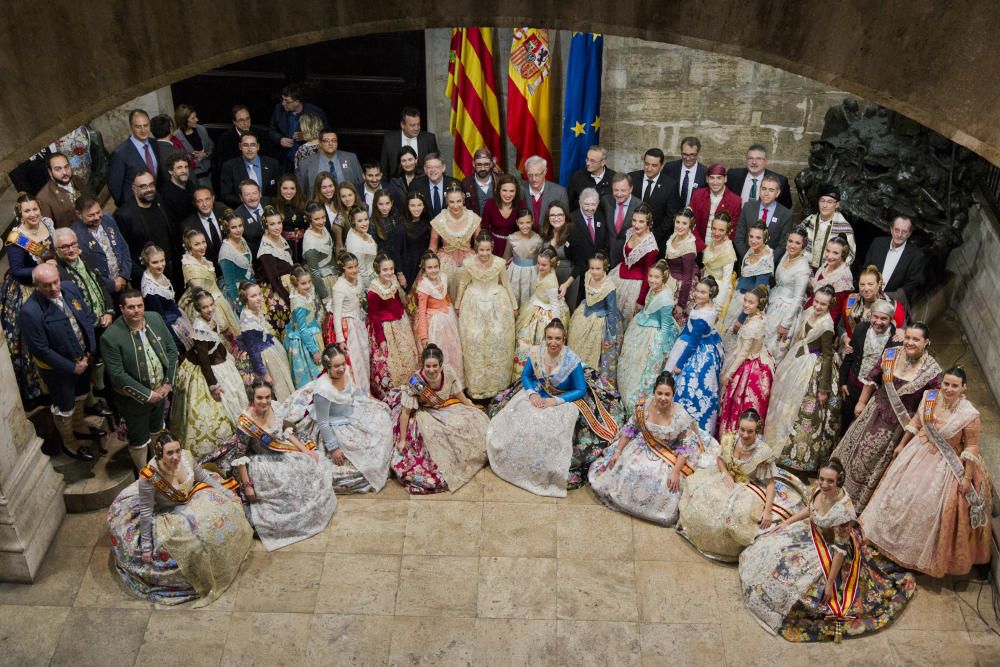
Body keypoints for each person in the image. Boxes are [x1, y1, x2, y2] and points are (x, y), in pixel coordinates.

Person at [739, 459, 915, 642]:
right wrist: (786, 523)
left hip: (833, 548)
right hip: (812, 532)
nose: (824, 484)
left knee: (796, 581)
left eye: (830, 481)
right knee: (768, 547)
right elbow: (810, 510)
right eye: (822, 479)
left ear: (839, 481)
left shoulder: (843, 512)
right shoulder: (818, 488)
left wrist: (830, 582)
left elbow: (840, 549)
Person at [861, 368, 992, 577]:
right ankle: (890, 545)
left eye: (954, 386)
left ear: (963, 388)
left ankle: (915, 556)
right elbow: (916, 422)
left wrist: (967, 478)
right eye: (946, 384)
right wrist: (902, 444)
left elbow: (971, 449)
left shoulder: (969, 414)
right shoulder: (930, 397)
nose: (949, 389)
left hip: (946, 465)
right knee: (899, 496)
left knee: (925, 507)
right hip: (917, 452)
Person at [107, 433, 252, 606]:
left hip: (190, 499)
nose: (176, 457)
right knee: (193, 541)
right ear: (159, 454)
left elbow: (204, 477)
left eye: (177, 451)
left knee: (223, 514)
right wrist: (146, 546)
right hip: (164, 511)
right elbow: (146, 511)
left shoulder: (187, 457)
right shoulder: (150, 476)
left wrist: (227, 493)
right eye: (170, 453)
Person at [487, 318, 622, 496]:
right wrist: (532, 394)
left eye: (557, 338)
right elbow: (526, 376)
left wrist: (556, 401)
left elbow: (580, 389)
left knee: (551, 428)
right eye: (549, 338)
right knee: (521, 417)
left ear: (564, 339)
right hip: (538, 393)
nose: (553, 342)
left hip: (564, 398)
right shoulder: (536, 353)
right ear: (544, 338)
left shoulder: (572, 360)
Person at [204, 380, 335, 550]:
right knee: (283, 482)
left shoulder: (275, 406)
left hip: (281, 452)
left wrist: (304, 451)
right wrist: (247, 485)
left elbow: (284, 435)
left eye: (267, 397)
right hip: (261, 461)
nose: (264, 401)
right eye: (259, 398)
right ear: (252, 398)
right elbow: (239, 455)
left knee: (306, 469)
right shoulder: (245, 422)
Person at [833, 322, 942, 510]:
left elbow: (929, 408)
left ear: (926, 342)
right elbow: (872, 377)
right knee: (854, 453)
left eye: (916, 339)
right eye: (907, 337)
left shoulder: (933, 372)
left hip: (899, 426)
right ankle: (835, 490)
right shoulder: (891, 354)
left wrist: (909, 437)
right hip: (874, 412)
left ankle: (858, 505)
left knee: (876, 464)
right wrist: (861, 402)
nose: (909, 342)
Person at [678, 408, 805, 561]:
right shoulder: (729, 439)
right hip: (726, 477)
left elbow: (770, 483)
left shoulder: (763, 452)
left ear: (757, 431)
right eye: (742, 430)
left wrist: (767, 510)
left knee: (734, 515)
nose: (744, 435)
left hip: (750, 484)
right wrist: (725, 474)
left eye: (750, 431)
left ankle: (725, 550)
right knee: (699, 493)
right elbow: (720, 460)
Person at [589, 372, 699, 526]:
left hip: (667, 452)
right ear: (654, 392)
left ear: (673, 394)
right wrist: (618, 451)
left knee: (661, 483)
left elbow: (686, 446)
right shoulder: (643, 407)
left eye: (667, 394)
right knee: (627, 470)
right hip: (640, 447)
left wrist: (675, 471)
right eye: (659, 393)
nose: (662, 398)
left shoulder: (680, 415)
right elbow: (630, 429)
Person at [19, 264, 98, 460]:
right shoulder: (30, 311)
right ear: (37, 285)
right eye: (47, 286)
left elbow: (86, 316)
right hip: (59, 371)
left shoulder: (69, 288)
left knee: (82, 395)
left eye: (56, 282)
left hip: (84, 359)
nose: (54, 288)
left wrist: (90, 350)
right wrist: (72, 367)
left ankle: (80, 426)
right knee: (65, 406)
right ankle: (69, 442)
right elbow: (40, 349)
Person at [388, 343, 489, 494]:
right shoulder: (416, 382)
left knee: (475, 420)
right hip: (424, 411)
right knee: (435, 436)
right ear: (422, 365)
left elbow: (457, 392)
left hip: (444, 406)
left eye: (435, 366)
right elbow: (405, 413)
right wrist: (402, 439)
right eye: (427, 366)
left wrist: (469, 404)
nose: (431, 370)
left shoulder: (448, 372)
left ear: (441, 364)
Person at [765, 286, 841, 474]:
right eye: (816, 301)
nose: (818, 306)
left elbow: (828, 355)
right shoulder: (808, 312)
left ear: (829, 305)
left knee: (800, 410)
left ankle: (793, 458)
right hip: (796, 359)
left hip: (811, 368)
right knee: (782, 403)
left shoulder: (827, 326)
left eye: (823, 304)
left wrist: (823, 388)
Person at [102, 289, 179, 471]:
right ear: (121, 308)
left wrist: (168, 383)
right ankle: (144, 474)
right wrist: (146, 395)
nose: (136, 311)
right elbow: (118, 375)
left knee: (157, 430)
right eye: (131, 307)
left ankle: (159, 465)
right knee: (139, 440)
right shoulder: (110, 337)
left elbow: (172, 351)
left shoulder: (154, 319)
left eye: (139, 306)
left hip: (160, 393)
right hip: (134, 401)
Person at [305, 344, 394, 493]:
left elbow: (354, 392)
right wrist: (333, 448)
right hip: (335, 424)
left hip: (350, 413)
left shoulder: (345, 375)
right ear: (327, 366)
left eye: (343, 364)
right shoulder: (323, 389)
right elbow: (323, 422)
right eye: (336, 366)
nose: (341, 369)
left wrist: (371, 400)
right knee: (362, 460)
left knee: (382, 417)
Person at [169, 289, 247, 458]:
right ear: (198, 309)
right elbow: (204, 361)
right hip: (209, 369)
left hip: (220, 361)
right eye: (205, 307)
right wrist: (213, 385)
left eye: (211, 305)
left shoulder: (212, 319)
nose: (210, 309)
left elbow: (217, 340)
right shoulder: (199, 328)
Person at [1, 194, 56, 407]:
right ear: (20, 214)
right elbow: (17, 271)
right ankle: (40, 388)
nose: (32, 214)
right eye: (27, 211)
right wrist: (42, 269)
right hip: (27, 290)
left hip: (50, 283)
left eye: (35, 209)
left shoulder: (46, 225)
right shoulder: (17, 238)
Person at [456, 232, 517, 399]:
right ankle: (477, 387)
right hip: (473, 304)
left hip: (497, 305)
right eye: (481, 250)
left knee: (498, 342)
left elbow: (506, 284)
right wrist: (457, 304)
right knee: (474, 341)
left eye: (487, 250)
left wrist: (514, 305)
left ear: (492, 248)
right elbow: (463, 283)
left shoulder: (499, 263)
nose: (484, 253)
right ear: (476, 248)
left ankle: (498, 386)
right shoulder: (469, 264)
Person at [617, 261, 679, 412]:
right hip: (641, 326)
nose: (652, 280)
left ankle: (639, 403)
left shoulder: (666, 300)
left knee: (644, 368)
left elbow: (665, 326)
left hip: (654, 334)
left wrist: (659, 349)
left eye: (656, 277)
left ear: (663, 278)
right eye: (650, 276)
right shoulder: (653, 290)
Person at [667, 277, 724, 433]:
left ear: (710, 294)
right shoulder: (701, 306)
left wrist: (679, 364)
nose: (698, 294)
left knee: (689, 381)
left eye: (703, 292)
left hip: (699, 348)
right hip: (696, 339)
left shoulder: (704, 318)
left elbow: (693, 344)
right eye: (697, 291)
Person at [719, 285, 774, 436]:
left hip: (749, 366)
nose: (746, 304)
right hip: (757, 359)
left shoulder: (753, 326)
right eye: (745, 301)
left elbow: (743, 354)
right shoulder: (758, 318)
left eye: (751, 302)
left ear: (759, 304)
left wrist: (729, 374)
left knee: (739, 401)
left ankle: (735, 435)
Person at [114, 171, 181, 289]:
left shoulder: (159, 200)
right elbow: (124, 252)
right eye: (143, 186)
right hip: (149, 279)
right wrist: (144, 276)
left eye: (151, 185)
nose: (149, 189)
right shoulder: (124, 215)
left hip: (172, 270)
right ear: (134, 189)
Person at [512, 247, 570, 379]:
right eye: (538, 263)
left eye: (544, 265)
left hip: (547, 314)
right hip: (536, 305)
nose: (540, 267)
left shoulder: (551, 282)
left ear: (552, 265)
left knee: (538, 344)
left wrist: (556, 325)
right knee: (523, 341)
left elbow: (555, 305)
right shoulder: (542, 273)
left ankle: (537, 375)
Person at [840, 300, 898, 431]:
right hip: (852, 385)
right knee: (844, 421)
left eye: (883, 318)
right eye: (875, 317)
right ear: (870, 316)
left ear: (890, 319)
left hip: (874, 393)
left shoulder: (896, 341)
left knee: (860, 428)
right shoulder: (861, 328)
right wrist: (843, 382)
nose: (878, 322)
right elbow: (850, 356)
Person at [367, 254, 419, 399]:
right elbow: (374, 316)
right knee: (390, 361)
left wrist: (405, 318)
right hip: (385, 328)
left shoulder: (394, 281)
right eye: (385, 270)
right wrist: (381, 339)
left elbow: (397, 302)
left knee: (408, 354)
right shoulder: (373, 291)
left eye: (391, 269)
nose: (389, 272)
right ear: (378, 271)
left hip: (400, 323)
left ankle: (412, 387)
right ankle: (394, 394)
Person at [568, 253, 621, 390]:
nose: (594, 271)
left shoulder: (609, 286)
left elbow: (612, 311)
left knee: (596, 353)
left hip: (600, 321)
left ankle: (592, 382)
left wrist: (612, 334)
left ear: (605, 268)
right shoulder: (587, 275)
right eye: (592, 268)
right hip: (584, 315)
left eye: (598, 268)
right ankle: (573, 376)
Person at [721, 222, 774, 353]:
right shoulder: (751, 251)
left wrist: (741, 319)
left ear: (765, 239)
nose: (753, 240)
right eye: (751, 236)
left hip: (747, 305)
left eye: (758, 237)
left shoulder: (765, 260)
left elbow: (757, 295)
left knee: (737, 343)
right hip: (739, 297)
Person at [178, 229, 241, 338]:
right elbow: (201, 292)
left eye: (203, 242)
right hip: (207, 304)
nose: (202, 246)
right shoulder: (190, 266)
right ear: (189, 247)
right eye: (197, 244)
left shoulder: (202, 260)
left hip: (218, 298)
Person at [238, 282, 294, 401]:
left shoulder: (256, 309)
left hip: (270, 345)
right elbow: (253, 350)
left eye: (259, 294)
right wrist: (264, 373)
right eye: (253, 296)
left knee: (284, 377)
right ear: (245, 298)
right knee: (276, 384)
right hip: (263, 355)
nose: (258, 298)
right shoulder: (248, 319)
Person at [413, 252, 463, 383]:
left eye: (436, 266)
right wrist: (424, 336)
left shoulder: (443, 277)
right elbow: (422, 312)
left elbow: (445, 296)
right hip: (434, 322)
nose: (433, 270)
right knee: (439, 349)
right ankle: (438, 382)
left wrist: (451, 310)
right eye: (430, 267)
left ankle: (453, 382)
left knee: (451, 349)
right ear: (424, 268)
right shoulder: (423, 287)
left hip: (447, 318)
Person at [764, 228, 812, 364]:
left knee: (773, 349)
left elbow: (798, 298)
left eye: (797, 243)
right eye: (790, 241)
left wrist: (785, 323)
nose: (792, 245)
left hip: (785, 312)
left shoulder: (803, 268)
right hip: (773, 303)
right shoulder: (786, 255)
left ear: (803, 246)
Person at [53, 227, 115, 331]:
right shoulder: (57, 272)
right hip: (86, 328)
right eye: (65, 247)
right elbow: (73, 304)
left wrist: (109, 311)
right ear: (56, 249)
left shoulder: (86, 258)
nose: (71, 250)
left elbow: (102, 284)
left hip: (107, 319)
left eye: (73, 244)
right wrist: (96, 321)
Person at [608, 204, 658, 326]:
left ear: (648, 223)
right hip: (618, 276)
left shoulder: (651, 247)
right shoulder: (630, 232)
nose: (636, 225)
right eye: (634, 220)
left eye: (641, 222)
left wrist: (641, 300)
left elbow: (648, 274)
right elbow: (624, 257)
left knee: (625, 320)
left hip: (634, 286)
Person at [71, 195, 132, 296]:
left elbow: (123, 247)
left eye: (98, 212)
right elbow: (85, 269)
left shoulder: (108, 219)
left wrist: (124, 276)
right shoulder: (75, 235)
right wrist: (112, 284)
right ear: (79, 214)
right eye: (91, 215)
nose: (97, 217)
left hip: (123, 282)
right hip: (103, 290)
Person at [429, 183, 480, 301]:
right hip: (446, 262)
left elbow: (479, 246)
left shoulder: (473, 218)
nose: (456, 206)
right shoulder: (439, 220)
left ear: (463, 200)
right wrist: (429, 266)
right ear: (447, 201)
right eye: (452, 202)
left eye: (459, 201)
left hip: (468, 261)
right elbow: (432, 247)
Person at [328, 252, 370, 392]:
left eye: (356, 266)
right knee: (354, 359)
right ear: (343, 269)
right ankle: (356, 390)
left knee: (363, 355)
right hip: (347, 326)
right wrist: (340, 339)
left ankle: (365, 388)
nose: (354, 270)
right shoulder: (339, 287)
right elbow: (337, 314)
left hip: (358, 321)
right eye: (350, 268)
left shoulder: (358, 279)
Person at [862, 215, 926, 307]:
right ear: (891, 229)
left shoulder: (916, 255)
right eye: (897, 230)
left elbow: (912, 284)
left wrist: (885, 297)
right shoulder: (877, 243)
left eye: (904, 232)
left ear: (909, 234)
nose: (899, 235)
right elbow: (865, 268)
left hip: (892, 304)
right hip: (867, 298)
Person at [139, 244, 192, 353]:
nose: (160, 265)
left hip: (175, 316)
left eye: (162, 260)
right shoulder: (150, 290)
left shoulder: (159, 274)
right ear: (147, 263)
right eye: (155, 262)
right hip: (168, 326)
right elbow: (159, 319)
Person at [107, 110, 165, 207]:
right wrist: (127, 208)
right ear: (131, 127)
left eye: (146, 125)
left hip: (155, 202)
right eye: (138, 126)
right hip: (135, 207)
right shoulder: (120, 153)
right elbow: (115, 187)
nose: (143, 130)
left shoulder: (154, 143)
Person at [733, 174, 793, 263]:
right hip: (746, 262)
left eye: (771, 190)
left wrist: (766, 261)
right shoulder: (748, 207)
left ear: (777, 193)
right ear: (759, 189)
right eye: (764, 189)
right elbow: (739, 237)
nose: (766, 193)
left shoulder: (785, 214)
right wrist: (748, 258)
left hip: (769, 264)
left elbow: (783, 244)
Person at [542, 200, 591, 310]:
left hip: (568, 279)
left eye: (560, 215)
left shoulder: (573, 233)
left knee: (565, 311)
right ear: (548, 217)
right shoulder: (546, 232)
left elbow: (580, 265)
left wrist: (566, 285)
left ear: (565, 216)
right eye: (553, 215)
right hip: (549, 278)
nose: (556, 218)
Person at [213, 104, 275, 190]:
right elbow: (223, 166)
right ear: (234, 122)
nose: (245, 123)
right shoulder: (225, 139)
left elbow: (268, 158)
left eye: (247, 119)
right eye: (241, 120)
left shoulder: (262, 134)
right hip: (237, 185)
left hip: (261, 180)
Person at [629, 148, 681, 247]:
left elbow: (671, 215)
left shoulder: (670, 184)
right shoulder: (632, 178)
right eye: (647, 164)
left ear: (661, 166)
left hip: (657, 240)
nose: (649, 168)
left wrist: (653, 236)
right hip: (632, 237)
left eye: (654, 165)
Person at [841, 265, 906, 344]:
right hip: (852, 349)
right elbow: (841, 326)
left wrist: (902, 331)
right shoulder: (851, 301)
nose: (866, 288)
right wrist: (844, 337)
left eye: (870, 284)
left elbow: (901, 332)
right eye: (862, 284)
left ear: (878, 284)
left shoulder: (893, 307)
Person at [269, 83, 328, 168]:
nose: (283, 103)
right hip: (284, 161)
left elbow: (326, 135)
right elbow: (272, 129)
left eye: (287, 101)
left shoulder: (315, 113)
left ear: (297, 102)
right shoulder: (278, 109)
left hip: (308, 162)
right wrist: (280, 139)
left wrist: (307, 136)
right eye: (282, 99)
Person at [284, 266, 324, 388]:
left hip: (312, 333)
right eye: (303, 283)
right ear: (296, 283)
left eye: (309, 282)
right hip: (305, 343)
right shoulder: (298, 304)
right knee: (314, 374)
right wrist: (314, 351)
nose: (307, 286)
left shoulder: (302, 294)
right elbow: (302, 329)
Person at [255, 207, 293, 335]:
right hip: (275, 288)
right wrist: (289, 300)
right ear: (266, 226)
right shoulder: (266, 250)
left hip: (287, 283)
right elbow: (273, 280)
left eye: (279, 222)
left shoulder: (281, 239)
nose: (277, 227)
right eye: (272, 224)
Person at [803, 236, 855, 328]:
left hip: (820, 324)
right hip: (808, 312)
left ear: (843, 254)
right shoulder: (826, 264)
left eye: (835, 253)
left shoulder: (844, 277)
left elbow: (835, 312)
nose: (829, 256)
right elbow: (815, 290)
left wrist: (817, 330)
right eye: (828, 251)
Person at [689, 163, 742, 252]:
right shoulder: (698, 195)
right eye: (712, 178)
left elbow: (732, 230)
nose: (715, 182)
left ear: (725, 179)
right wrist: (701, 247)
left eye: (719, 178)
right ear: (707, 179)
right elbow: (690, 222)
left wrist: (717, 249)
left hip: (721, 251)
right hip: (696, 247)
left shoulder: (735, 201)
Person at [297, 127, 363, 198]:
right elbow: (300, 192)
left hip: (346, 205)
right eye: (326, 141)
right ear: (320, 143)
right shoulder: (306, 163)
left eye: (334, 140)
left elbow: (361, 184)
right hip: (318, 207)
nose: (330, 143)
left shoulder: (351, 158)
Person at [801, 184, 855, 269]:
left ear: (837, 204)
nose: (824, 205)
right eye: (822, 201)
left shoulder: (844, 227)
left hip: (829, 273)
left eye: (829, 202)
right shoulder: (808, 221)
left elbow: (851, 255)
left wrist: (836, 271)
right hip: (804, 269)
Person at [219, 132, 280, 208]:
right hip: (242, 211)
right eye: (245, 145)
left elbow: (278, 191)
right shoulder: (229, 166)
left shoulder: (272, 164)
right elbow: (226, 195)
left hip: (269, 209)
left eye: (253, 145)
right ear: (240, 147)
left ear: (258, 147)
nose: (249, 149)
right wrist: (247, 201)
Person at [725, 143, 793, 209]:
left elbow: (786, 207)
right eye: (750, 158)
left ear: (766, 161)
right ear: (746, 160)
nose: (754, 162)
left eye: (758, 159)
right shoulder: (732, 175)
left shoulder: (781, 181)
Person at [380, 106, 440, 179]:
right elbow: (384, 167)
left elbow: (437, 164)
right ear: (402, 125)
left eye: (418, 124)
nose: (416, 128)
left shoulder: (429, 139)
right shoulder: (389, 139)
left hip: (423, 184)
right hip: (397, 184)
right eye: (412, 125)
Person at [700, 212, 737, 324]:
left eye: (721, 230)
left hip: (718, 292)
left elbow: (726, 281)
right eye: (714, 228)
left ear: (728, 231)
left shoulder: (728, 251)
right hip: (705, 286)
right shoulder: (714, 243)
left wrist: (717, 309)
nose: (716, 233)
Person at [37, 152, 89, 228]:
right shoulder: (43, 197)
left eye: (66, 167)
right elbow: (49, 230)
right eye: (58, 169)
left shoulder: (77, 179)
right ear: (50, 172)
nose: (64, 172)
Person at [504, 208, 543, 310]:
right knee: (515, 297)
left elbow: (541, 260)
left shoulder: (538, 239)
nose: (525, 226)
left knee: (530, 299)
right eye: (521, 223)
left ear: (533, 221)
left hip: (533, 273)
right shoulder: (511, 238)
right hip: (515, 273)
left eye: (528, 222)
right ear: (517, 222)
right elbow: (505, 259)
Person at [601, 172, 642, 268]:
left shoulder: (639, 205)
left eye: (623, 190)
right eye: (616, 190)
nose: (619, 194)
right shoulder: (605, 201)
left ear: (631, 189)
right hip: (608, 256)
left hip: (629, 257)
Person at [218, 211, 255, 313]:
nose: (238, 230)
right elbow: (230, 285)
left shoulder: (242, 240)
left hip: (251, 289)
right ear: (227, 229)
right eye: (234, 227)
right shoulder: (226, 252)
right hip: (239, 295)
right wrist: (241, 308)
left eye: (240, 225)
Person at [663, 208, 699, 312]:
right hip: (668, 279)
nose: (679, 226)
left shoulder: (689, 248)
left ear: (690, 225)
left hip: (679, 286)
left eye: (684, 223)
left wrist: (680, 304)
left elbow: (687, 279)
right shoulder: (674, 236)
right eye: (677, 222)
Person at [181, 187, 226, 269]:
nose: (204, 204)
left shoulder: (223, 212)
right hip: (206, 269)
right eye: (200, 201)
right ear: (194, 203)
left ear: (213, 198)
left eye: (207, 199)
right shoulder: (188, 225)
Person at [520, 155, 569, 229]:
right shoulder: (520, 190)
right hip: (527, 237)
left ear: (545, 172)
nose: (533, 179)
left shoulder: (559, 192)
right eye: (530, 175)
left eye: (537, 175)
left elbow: (566, 221)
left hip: (551, 237)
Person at [301, 203, 338, 302]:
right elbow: (314, 273)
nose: (321, 222)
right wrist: (325, 298)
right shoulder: (310, 241)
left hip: (334, 277)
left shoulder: (324, 229)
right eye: (316, 219)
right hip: (322, 283)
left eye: (323, 217)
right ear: (309, 220)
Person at [171, 104, 214, 188]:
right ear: (184, 121)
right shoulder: (176, 137)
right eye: (193, 118)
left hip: (209, 172)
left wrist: (205, 154)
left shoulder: (202, 129)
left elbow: (211, 147)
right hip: (193, 176)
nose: (197, 120)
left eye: (196, 116)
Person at [396, 192, 431, 289]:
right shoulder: (401, 227)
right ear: (407, 206)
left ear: (424, 206)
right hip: (409, 269)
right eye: (412, 205)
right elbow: (397, 252)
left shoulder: (427, 223)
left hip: (425, 267)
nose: (416, 209)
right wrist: (400, 274)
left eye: (419, 205)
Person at [663, 136, 708, 210]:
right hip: (671, 216)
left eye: (692, 155)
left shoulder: (704, 172)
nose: (687, 158)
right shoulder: (670, 168)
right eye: (684, 154)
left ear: (698, 153)